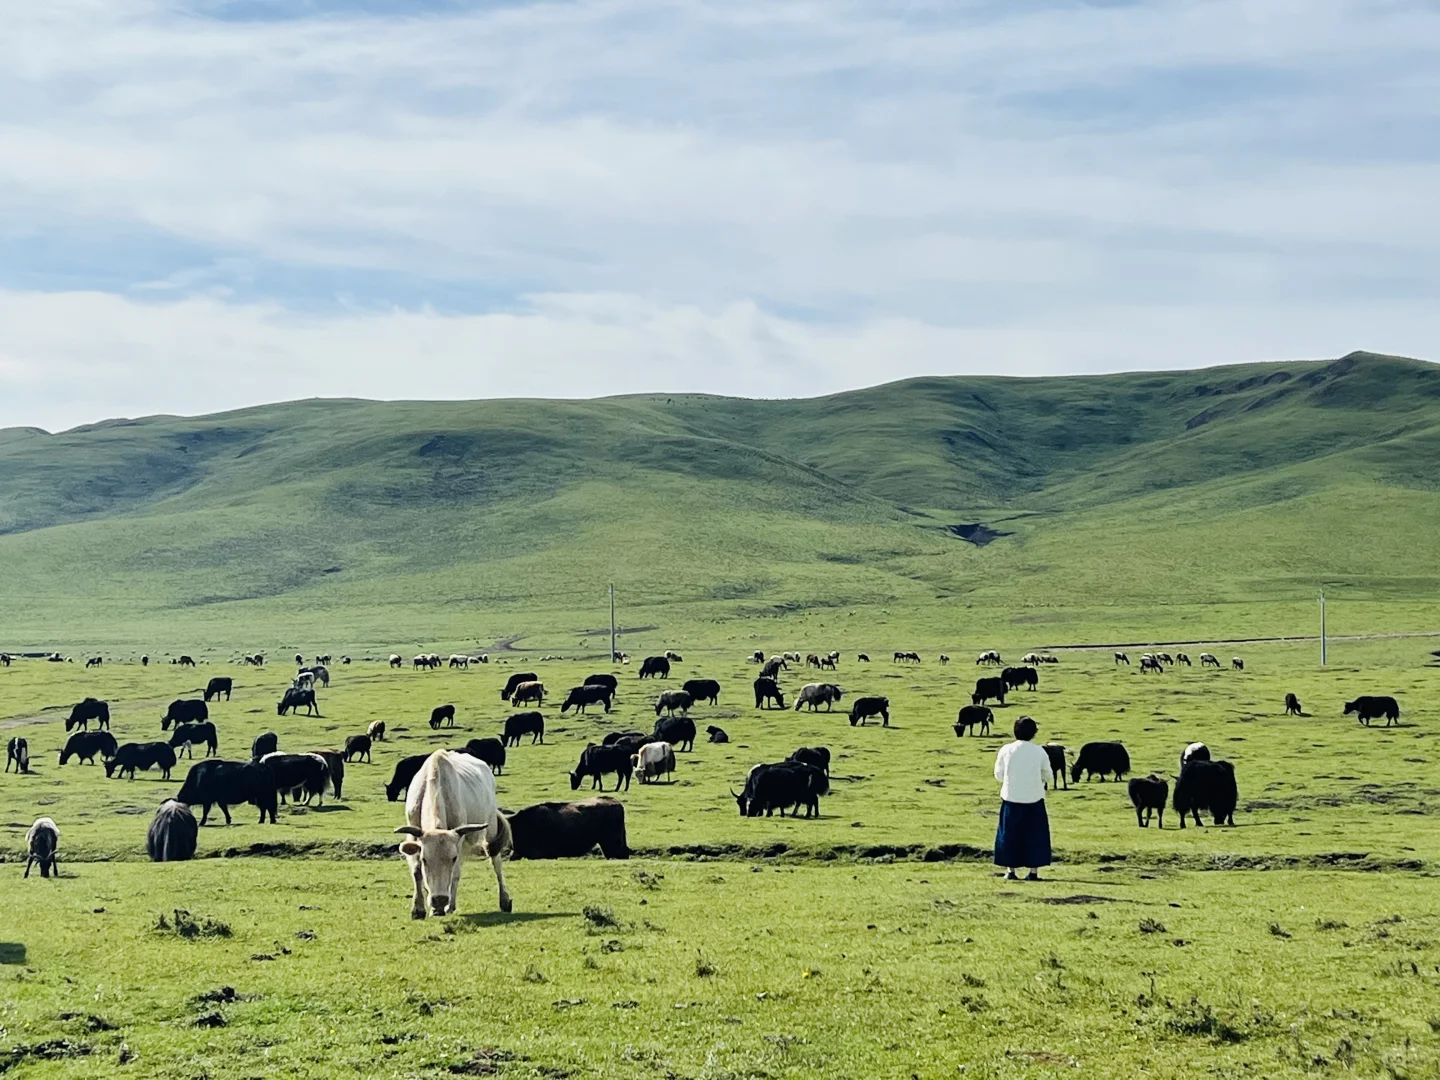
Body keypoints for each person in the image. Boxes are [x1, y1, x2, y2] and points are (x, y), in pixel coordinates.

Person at [992, 715, 1053, 881]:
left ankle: (1010, 871)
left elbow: (998, 774)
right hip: (1034, 800)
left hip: (1011, 798)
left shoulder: (1006, 750)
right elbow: (1048, 776)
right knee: (1035, 836)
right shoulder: (1039, 751)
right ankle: (1033, 872)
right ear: (1034, 733)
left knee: (1010, 835)